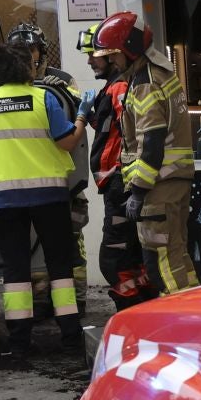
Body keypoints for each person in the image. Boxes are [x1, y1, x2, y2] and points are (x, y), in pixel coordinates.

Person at [0, 41, 85, 358]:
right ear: (26, 69)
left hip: (3, 200)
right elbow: (67, 143)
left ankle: (19, 344)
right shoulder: (43, 98)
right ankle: (71, 338)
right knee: (59, 266)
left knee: (15, 271)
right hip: (48, 196)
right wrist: (83, 117)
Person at [94, 11, 198, 296]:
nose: (111, 61)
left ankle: (175, 324)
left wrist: (138, 191)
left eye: (114, 55)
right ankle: (193, 312)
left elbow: (151, 142)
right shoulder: (162, 73)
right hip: (174, 182)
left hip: (158, 187)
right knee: (177, 257)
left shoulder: (143, 85)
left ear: (130, 49)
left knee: (159, 264)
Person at [2, 23, 92, 316]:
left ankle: (75, 303)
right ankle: (40, 304)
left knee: (70, 247)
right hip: (25, 184)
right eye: (20, 50)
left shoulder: (61, 81)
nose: (27, 56)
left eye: (31, 50)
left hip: (64, 181)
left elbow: (73, 122)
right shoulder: (4, 86)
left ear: (40, 52)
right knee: (31, 250)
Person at [81, 22, 157, 310]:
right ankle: (142, 310)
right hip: (119, 183)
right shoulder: (113, 87)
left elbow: (133, 133)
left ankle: (131, 313)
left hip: (121, 183)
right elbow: (112, 129)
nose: (90, 61)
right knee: (131, 256)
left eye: (94, 55)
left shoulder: (121, 87)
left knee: (114, 259)